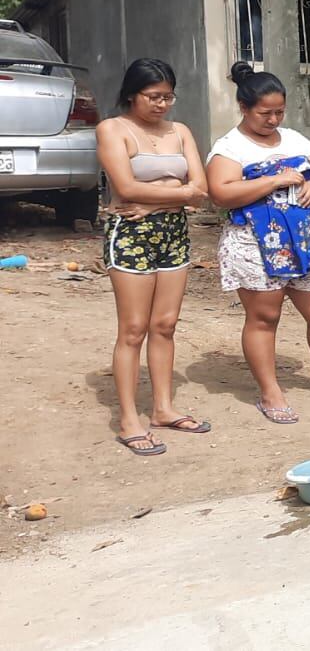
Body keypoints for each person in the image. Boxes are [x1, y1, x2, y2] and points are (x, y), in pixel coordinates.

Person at [205, 62, 310, 425]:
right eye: (265, 113)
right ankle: (271, 393)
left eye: (279, 111)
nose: (273, 119)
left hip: (304, 241)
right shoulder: (229, 148)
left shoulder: (296, 139)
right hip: (256, 243)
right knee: (265, 317)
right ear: (244, 108)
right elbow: (220, 193)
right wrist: (274, 181)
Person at [96, 59, 211, 456]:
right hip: (130, 235)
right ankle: (129, 418)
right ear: (132, 94)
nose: (162, 104)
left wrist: (157, 203)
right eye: (153, 97)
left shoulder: (180, 131)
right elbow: (125, 187)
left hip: (172, 234)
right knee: (133, 328)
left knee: (165, 324)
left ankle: (162, 408)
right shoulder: (113, 129)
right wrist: (179, 197)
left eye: (168, 97)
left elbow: (203, 187)